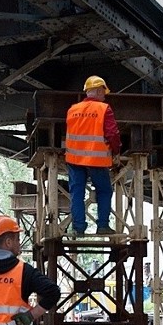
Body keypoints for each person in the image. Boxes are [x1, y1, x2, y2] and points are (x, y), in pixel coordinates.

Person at [65, 75, 122, 236]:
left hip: (75, 159)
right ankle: (103, 226)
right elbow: (112, 133)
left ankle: (78, 228)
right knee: (104, 191)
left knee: (77, 193)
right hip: (96, 159)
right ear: (97, 90)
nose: (105, 95)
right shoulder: (104, 109)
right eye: (103, 91)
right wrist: (116, 151)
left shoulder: (72, 110)